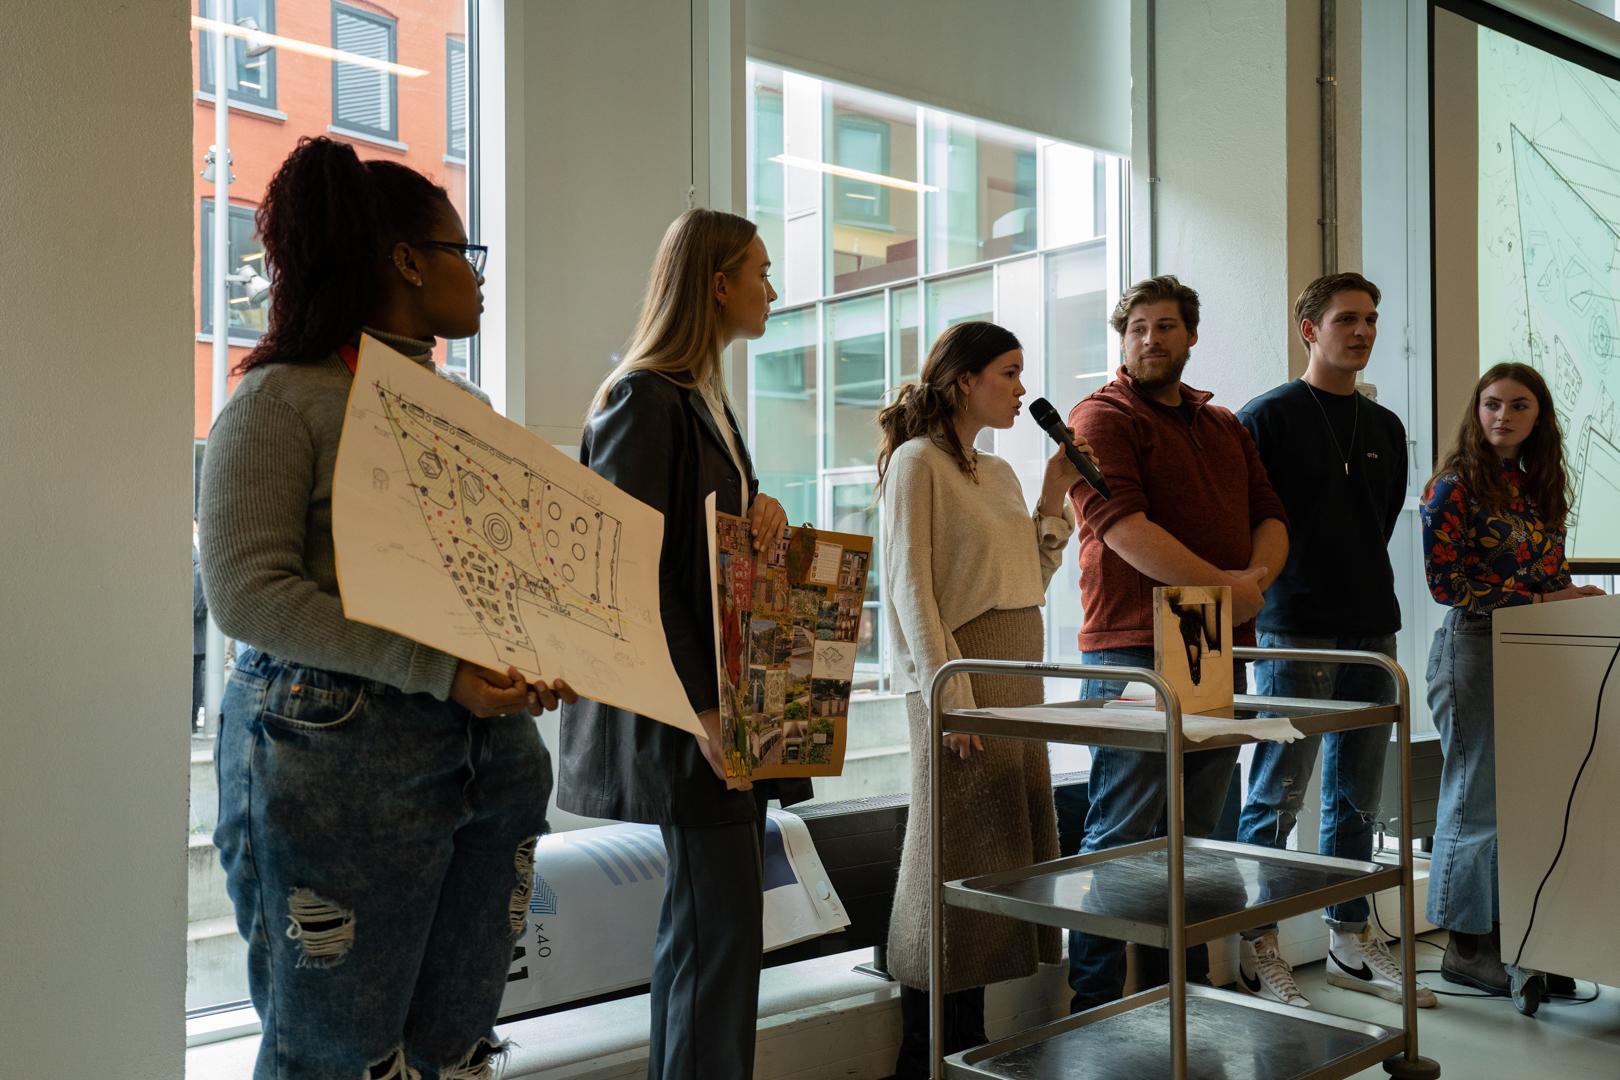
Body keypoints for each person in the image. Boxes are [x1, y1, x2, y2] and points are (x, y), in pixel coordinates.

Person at [198, 136, 572, 1080]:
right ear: (407, 261)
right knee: (339, 1056)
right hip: (340, 755)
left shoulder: (465, 409)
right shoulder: (281, 402)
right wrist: (439, 669)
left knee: (456, 1047)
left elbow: (497, 579)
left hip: (484, 756)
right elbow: (249, 593)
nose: (479, 281)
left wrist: (545, 644)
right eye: (464, 254)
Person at [557, 208, 812, 1080]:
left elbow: (702, 548)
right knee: (718, 936)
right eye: (760, 273)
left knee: (711, 939)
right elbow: (631, 569)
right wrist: (700, 706)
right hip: (693, 713)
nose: (772, 290)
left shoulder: (706, 400)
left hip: (725, 707)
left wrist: (760, 517)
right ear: (716, 283)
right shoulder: (643, 396)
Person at [1065, 275, 1288, 1013]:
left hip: (1210, 641)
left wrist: (1254, 580)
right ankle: (1091, 1006)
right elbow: (1123, 530)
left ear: (1191, 336)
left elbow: (1270, 514)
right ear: (1122, 338)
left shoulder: (1223, 423)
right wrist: (1233, 590)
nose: (1150, 338)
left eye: (1166, 326)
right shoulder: (1098, 417)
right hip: (1133, 647)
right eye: (1136, 327)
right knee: (1122, 831)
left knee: (1196, 834)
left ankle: (1180, 1000)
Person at [878, 321, 1089, 1076]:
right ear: (964, 378)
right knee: (946, 860)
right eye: (1007, 371)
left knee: (999, 858)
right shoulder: (915, 463)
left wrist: (1053, 496)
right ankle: (925, 1052)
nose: (1021, 386)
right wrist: (949, 695)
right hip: (958, 681)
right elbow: (910, 589)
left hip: (1012, 678)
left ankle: (966, 1048)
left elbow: (1028, 582)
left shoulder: (996, 473)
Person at [1232, 273, 1435, 1009]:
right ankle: (1260, 946)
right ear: (1308, 329)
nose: (1363, 331)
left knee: (1354, 800)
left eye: (1373, 319)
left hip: (1371, 626)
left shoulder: (1383, 428)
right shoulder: (1267, 417)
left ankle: (1351, 937)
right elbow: (1256, 524)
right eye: (1348, 318)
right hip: (1295, 629)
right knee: (1275, 795)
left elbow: (1377, 522)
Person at [1421, 362, 1605, 995]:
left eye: (1518, 405)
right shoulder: (1452, 486)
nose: (1503, 416)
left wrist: (1568, 597)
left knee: (1532, 802)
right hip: (1473, 650)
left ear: (1538, 417)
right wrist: (1544, 602)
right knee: (1477, 801)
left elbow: (1546, 575)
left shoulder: (1537, 488)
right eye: (1492, 404)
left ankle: (1527, 938)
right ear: (1477, 411)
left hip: (1538, 652)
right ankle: (1466, 949)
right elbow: (1449, 585)